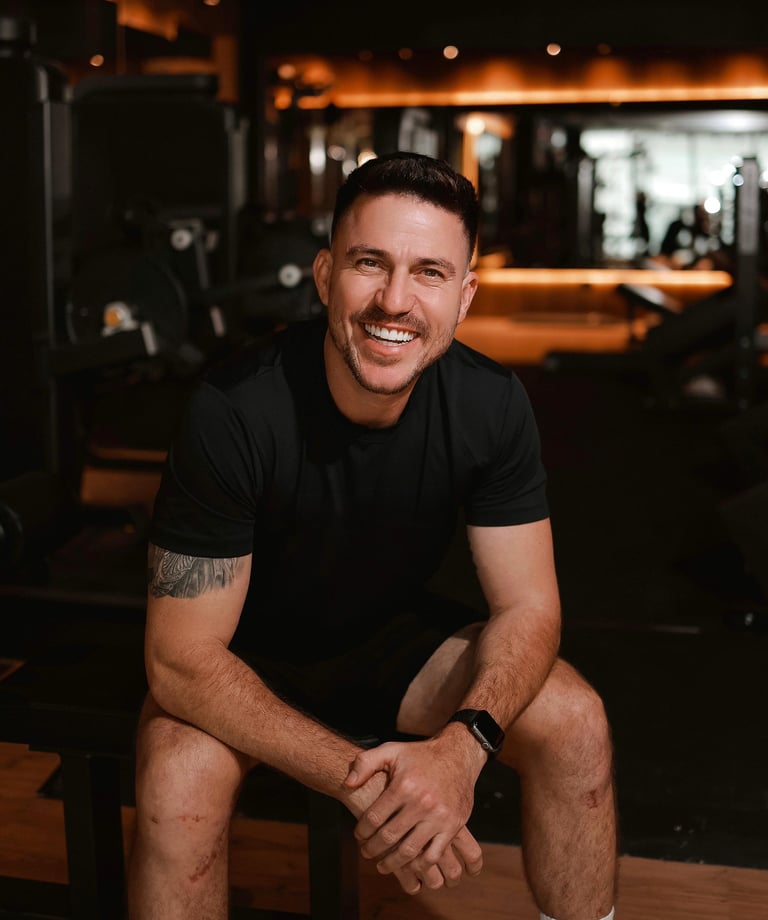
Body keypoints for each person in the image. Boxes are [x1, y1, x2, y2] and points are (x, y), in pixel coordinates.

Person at [127, 152, 617, 920]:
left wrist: (461, 748)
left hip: (387, 641)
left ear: (464, 296)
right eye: (369, 263)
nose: (394, 300)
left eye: (429, 273)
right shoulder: (233, 409)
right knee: (176, 780)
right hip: (239, 654)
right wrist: (374, 785)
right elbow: (179, 659)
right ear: (325, 276)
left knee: (574, 720)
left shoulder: (490, 404)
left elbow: (529, 608)